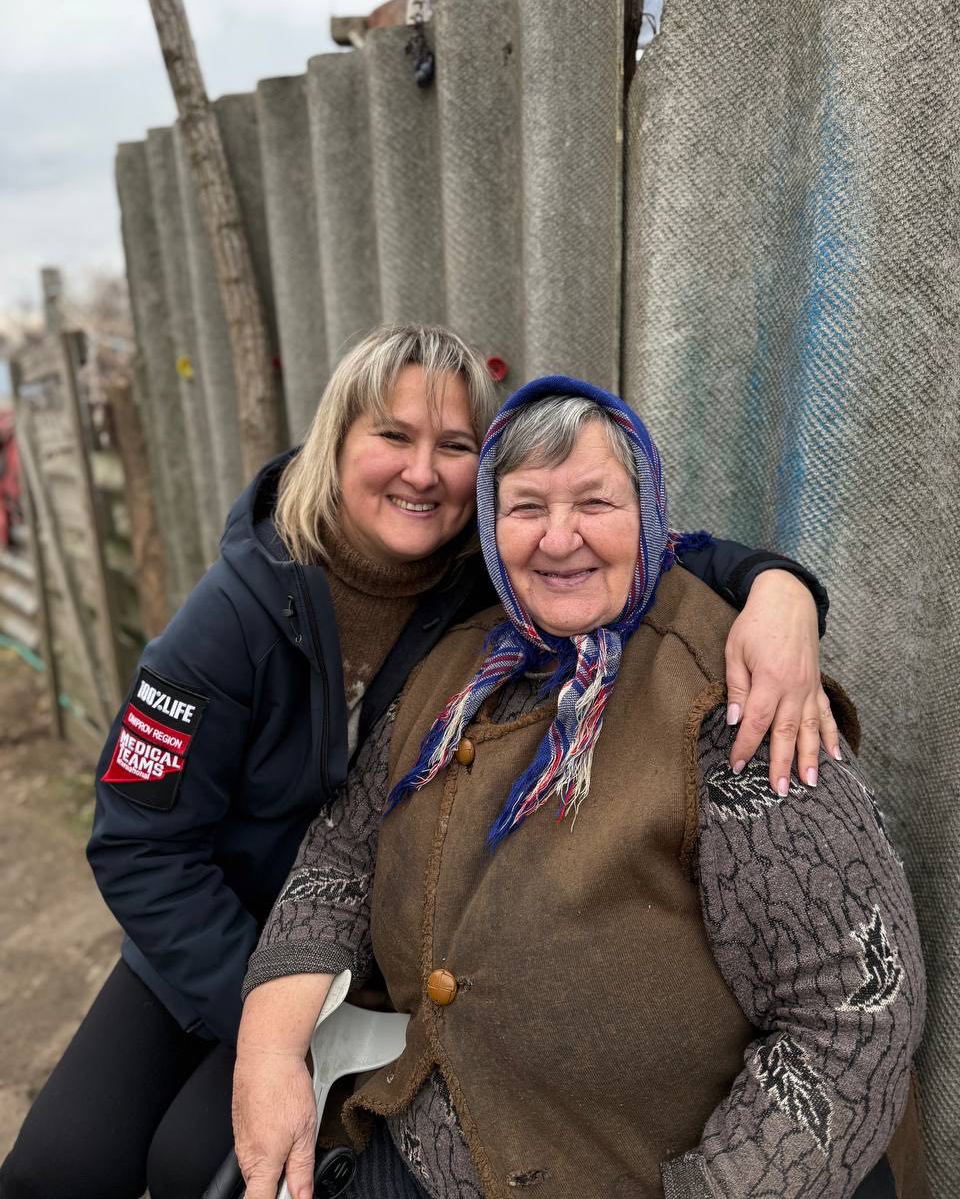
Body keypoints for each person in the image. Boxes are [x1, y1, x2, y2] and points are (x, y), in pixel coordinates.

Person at [1, 330, 835, 1199]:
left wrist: (782, 590)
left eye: (455, 447)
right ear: (336, 443)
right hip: (213, 932)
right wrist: (273, 1022)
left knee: (191, 1165)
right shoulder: (229, 621)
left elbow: (649, 550)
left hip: (369, 937)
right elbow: (138, 844)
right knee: (57, 1168)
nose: (423, 472)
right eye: (393, 437)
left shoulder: (481, 568)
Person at [233, 375, 926, 1199]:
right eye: (526, 508)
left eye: (594, 502)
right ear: (492, 530)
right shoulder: (452, 666)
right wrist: (268, 1051)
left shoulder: (733, 697)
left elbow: (850, 1012)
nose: (559, 539)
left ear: (651, 514)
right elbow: (342, 855)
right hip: (432, 1137)